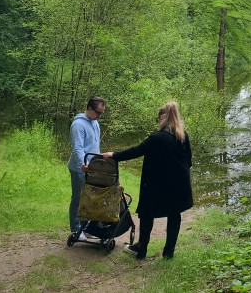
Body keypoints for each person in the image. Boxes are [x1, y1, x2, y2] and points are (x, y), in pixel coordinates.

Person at [103, 100, 193, 259]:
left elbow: (135, 151)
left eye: (157, 119)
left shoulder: (157, 137)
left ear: (162, 118)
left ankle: (141, 249)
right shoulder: (183, 136)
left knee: (146, 214)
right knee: (174, 213)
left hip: (156, 184)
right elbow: (189, 161)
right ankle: (168, 253)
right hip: (180, 184)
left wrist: (114, 155)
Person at [67, 96, 105, 237]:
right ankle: (76, 229)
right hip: (79, 168)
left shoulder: (94, 122)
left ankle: (88, 228)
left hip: (93, 168)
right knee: (78, 198)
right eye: (98, 113)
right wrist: (83, 164)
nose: (99, 116)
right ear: (89, 108)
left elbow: (95, 146)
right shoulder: (78, 125)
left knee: (92, 198)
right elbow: (77, 148)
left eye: (102, 113)